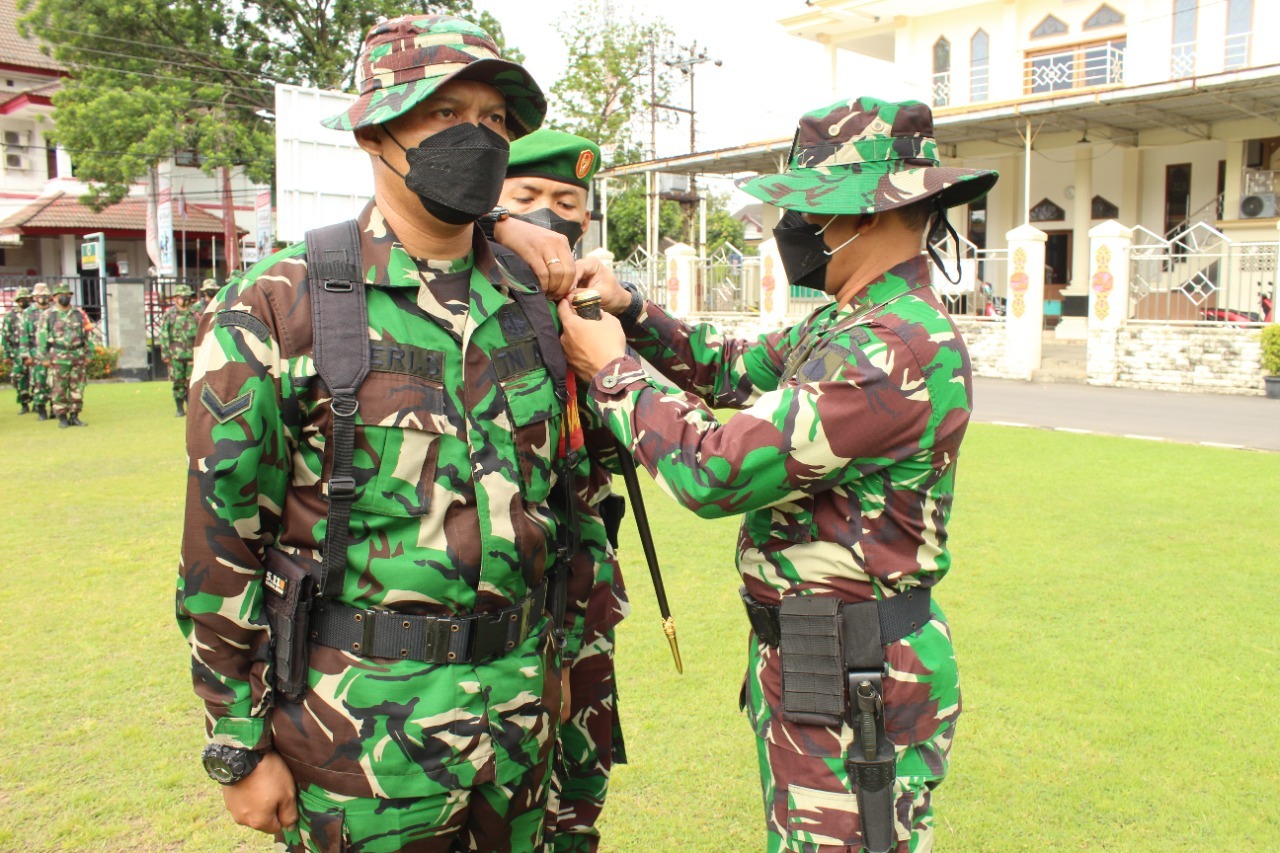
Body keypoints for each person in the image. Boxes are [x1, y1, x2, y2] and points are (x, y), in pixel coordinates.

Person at [176, 15, 588, 852]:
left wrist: (564, 664)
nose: (477, 136)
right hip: (357, 745)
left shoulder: (534, 304)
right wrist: (235, 738)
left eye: (495, 120)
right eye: (444, 113)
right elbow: (220, 542)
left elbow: (560, 507)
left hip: (516, 727)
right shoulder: (281, 304)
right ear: (373, 129)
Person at [557, 96, 998, 853]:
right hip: (821, 661)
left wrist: (611, 370)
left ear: (862, 214)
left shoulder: (890, 347)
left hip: (858, 675)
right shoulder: (848, 320)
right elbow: (728, 368)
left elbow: (715, 472)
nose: (795, 230)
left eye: (810, 210)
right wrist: (631, 309)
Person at [498, 129, 628, 853]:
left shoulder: (591, 310)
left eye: (566, 202)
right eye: (526, 198)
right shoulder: (469, 309)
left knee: (579, 797)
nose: (548, 214)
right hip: (507, 619)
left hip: (586, 603)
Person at [38, 281, 93, 428]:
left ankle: (75, 415)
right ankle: (62, 416)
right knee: (59, 388)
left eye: (67, 294)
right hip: (58, 356)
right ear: (54, 298)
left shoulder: (78, 314)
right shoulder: (48, 315)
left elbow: (86, 335)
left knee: (78, 387)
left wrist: (89, 353)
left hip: (77, 355)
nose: (64, 297)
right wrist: (44, 357)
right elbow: (42, 338)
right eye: (61, 295)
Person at [159, 284, 200, 416]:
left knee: (191, 382)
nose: (186, 300)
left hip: (191, 355)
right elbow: (164, 335)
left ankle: (191, 407)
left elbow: (200, 335)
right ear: (177, 298)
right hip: (175, 355)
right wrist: (165, 354)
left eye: (188, 297)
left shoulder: (194, 314)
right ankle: (179, 407)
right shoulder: (169, 315)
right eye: (184, 297)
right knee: (178, 382)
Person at [3, 286, 33, 413]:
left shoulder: (34, 313)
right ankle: (24, 403)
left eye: (26, 299)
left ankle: (38, 402)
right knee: (18, 378)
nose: (23, 301)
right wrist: (6, 354)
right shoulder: (11, 316)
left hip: (33, 349)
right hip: (17, 351)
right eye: (21, 299)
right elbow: (6, 335)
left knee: (37, 378)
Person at [26, 282, 52, 421]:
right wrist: (26, 354)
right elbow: (23, 335)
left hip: (54, 352)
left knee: (55, 382)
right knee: (39, 381)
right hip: (36, 352)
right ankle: (41, 408)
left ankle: (56, 407)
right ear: (34, 297)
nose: (42, 298)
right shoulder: (28, 313)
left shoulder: (53, 312)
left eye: (45, 295)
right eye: (39, 295)